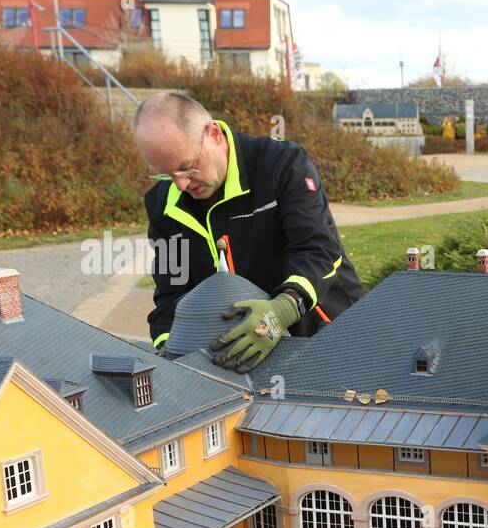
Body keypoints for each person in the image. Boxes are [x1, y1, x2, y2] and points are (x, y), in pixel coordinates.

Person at [135, 92, 364, 370]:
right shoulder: (161, 204)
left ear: (214, 134)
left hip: (325, 331)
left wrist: (282, 310)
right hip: (246, 354)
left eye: (188, 167)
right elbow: (171, 293)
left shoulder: (283, 165)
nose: (181, 184)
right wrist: (169, 352)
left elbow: (319, 251)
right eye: (166, 174)